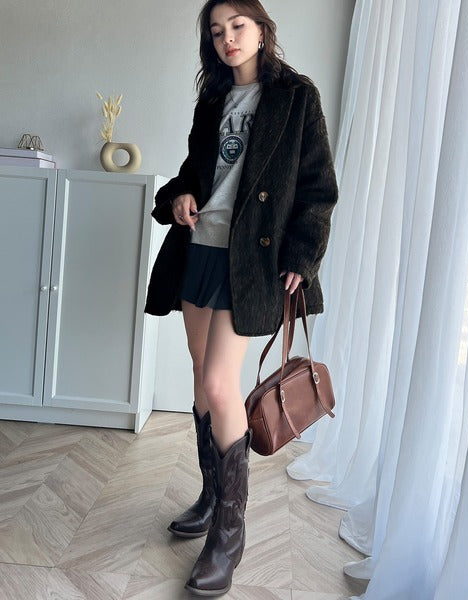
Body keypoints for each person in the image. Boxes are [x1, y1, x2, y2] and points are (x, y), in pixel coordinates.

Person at [145, 0, 337, 595]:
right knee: (201, 374)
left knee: (219, 383)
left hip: (250, 262)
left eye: (238, 26)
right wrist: (180, 197)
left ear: (261, 29)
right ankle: (211, 495)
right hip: (199, 249)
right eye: (216, 31)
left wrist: (303, 256)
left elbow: (318, 188)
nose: (227, 38)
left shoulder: (296, 97)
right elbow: (193, 174)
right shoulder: (214, 100)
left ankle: (229, 534)